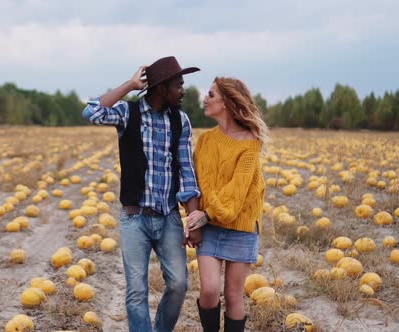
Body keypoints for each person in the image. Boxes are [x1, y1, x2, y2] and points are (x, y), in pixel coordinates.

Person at [82, 56, 201, 332]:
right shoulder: (128, 113)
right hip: (135, 220)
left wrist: (193, 219)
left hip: (169, 218)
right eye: (178, 85)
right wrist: (130, 84)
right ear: (161, 88)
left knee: (179, 284)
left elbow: (187, 171)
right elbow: (91, 112)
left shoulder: (180, 121)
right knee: (136, 292)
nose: (183, 90)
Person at [185, 77, 269, 332]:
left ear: (227, 102)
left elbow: (234, 198)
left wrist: (200, 217)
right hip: (210, 226)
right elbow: (197, 184)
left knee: (233, 296)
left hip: (240, 227)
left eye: (211, 95)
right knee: (209, 291)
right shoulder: (206, 140)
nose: (205, 99)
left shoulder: (250, 143)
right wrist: (194, 219)